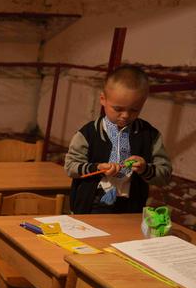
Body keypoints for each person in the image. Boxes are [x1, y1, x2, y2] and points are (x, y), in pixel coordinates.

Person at [64, 64, 172, 214]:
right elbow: (70, 167)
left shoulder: (150, 135)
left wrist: (144, 168)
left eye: (134, 110)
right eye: (118, 109)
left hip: (131, 205)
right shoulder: (88, 133)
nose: (126, 115)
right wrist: (98, 167)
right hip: (92, 203)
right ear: (103, 99)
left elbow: (165, 175)